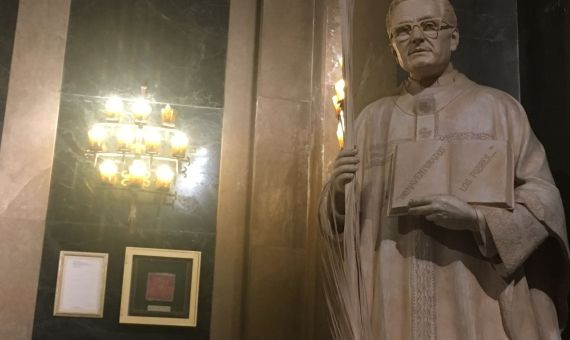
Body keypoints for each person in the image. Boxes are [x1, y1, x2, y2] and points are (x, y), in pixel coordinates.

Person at [321, 0, 570, 338]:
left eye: (429, 25)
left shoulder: (499, 111)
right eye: (403, 31)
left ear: (453, 38)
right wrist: (337, 195)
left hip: (474, 292)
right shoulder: (371, 121)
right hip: (391, 298)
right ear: (393, 48)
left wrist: (477, 220)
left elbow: (545, 202)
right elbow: (342, 226)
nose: (417, 37)